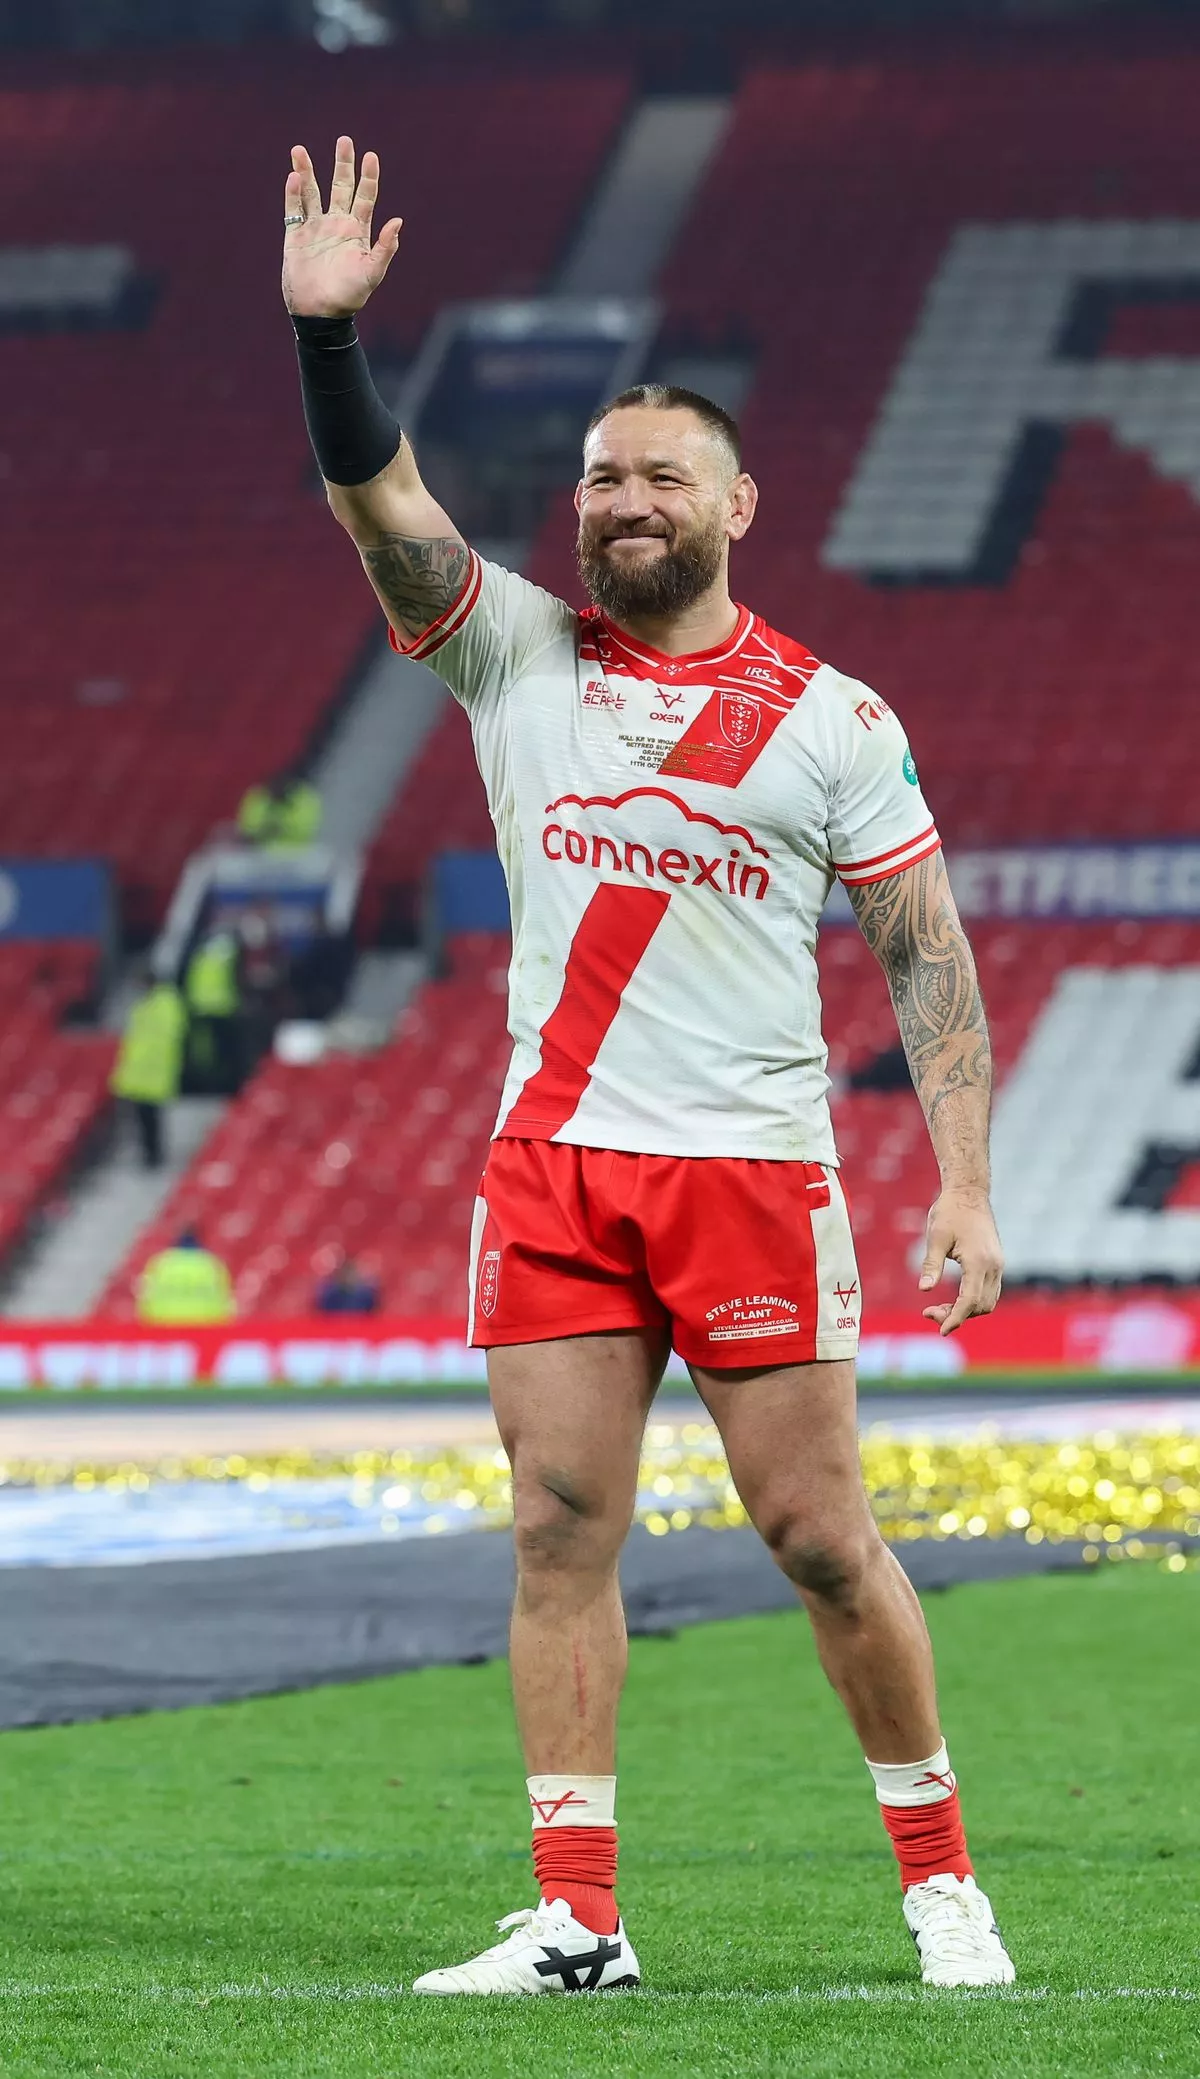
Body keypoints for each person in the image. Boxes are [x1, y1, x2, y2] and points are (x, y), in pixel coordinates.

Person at [282, 138, 1012, 1995]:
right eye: (603, 475)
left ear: (737, 503)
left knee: (821, 1539)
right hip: (557, 1165)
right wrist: (329, 344)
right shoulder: (513, 652)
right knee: (555, 1524)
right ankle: (578, 1917)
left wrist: (968, 1182)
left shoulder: (832, 719)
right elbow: (381, 504)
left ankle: (942, 1878)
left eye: (661, 475)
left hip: (749, 1166)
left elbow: (927, 958)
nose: (623, 500)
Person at [109, 969, 187, 1170]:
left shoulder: (165, 1006)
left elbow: (161, 1039)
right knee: (143, 1118)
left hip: (153, 1070)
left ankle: (154, 1155)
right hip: (141, 1071)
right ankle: (149, 1154)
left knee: (151, 1117)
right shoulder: (147, 1005)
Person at [184, 926, 243, 1093]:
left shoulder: (200, 957)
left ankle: (207, 1082)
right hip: (222, 1009)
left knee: (206, 1052)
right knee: (224, 1051)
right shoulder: (229, 956)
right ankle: (225, 1084)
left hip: (201, 1009)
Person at [137, 1227, 236, 1324]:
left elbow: (144, 1297)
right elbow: (228, 1300)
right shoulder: (212, 1264)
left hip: (164, 1325)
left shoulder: (160, 1263)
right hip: (206, 1326)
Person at [237, 766, 323, 849]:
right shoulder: (258, 797)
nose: (278, 788)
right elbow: (248, 828)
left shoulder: (305, 800)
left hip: (295, 852)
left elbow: (304, 830)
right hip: (260, 851)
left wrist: (278, 828)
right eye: (275, 784)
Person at [313, 1256, 381, 1315]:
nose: (347, 1277)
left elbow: (373, 1315)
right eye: (344, 1274)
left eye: (350, 1274)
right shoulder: (329, 1295)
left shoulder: (366, 1295)